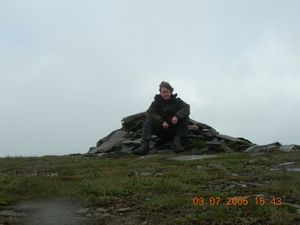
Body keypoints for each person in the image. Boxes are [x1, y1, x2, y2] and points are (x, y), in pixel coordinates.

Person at [134, 81, 190, 155]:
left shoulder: (178, 101)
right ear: (160, 93)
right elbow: (150, 112)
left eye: (167, 92)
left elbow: (186, 108)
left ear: (171, 92)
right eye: (163, 92)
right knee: (148, 121)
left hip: (175, 131)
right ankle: (145, 145)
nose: (165, 94)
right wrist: (161, 121)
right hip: (163, 131)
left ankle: (177, 142)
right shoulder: (156, 103)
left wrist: (177, 116)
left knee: (185, 118)